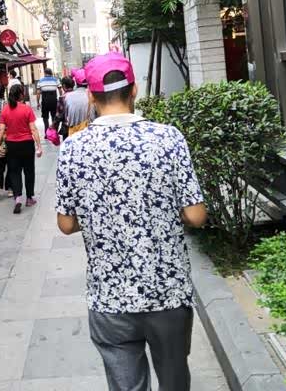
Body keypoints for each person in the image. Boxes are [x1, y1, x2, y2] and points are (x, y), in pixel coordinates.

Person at [54, 52, 208, 391]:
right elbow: (196, 215)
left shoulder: (73, 148)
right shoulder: (168, 138)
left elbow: (66, 224)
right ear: (134, 90)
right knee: (175, 382)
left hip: (110, 299)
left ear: (91, 96)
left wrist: (98, 214)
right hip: (167, 293)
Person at [0, 84, 42, 214]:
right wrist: (39, 146)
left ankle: (17, 198)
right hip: (27, 144)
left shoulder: (5, 110)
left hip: (12, 145)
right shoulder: (26, 109)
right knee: (29, 171)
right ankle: (29, 198)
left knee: (14, 172)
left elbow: (1, 130)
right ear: (21, 94)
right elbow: (33, 129)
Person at [63, 68, 93, 135]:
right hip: (88, 131)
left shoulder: (68, 96)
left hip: (73, 132)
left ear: (76, 83)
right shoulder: (92, 96)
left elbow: (66, 116)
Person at [36, 68, 61, 132]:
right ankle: (54, 131)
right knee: (54, 116)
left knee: (45, 117)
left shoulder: (40, 81)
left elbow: (38, 93)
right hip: (54, 100)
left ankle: (46, 131)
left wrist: (38, 102)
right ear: (51, 73)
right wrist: (60, 99)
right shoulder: (56, 80)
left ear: (45, 73)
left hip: (45, 101)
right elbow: (60, 90)